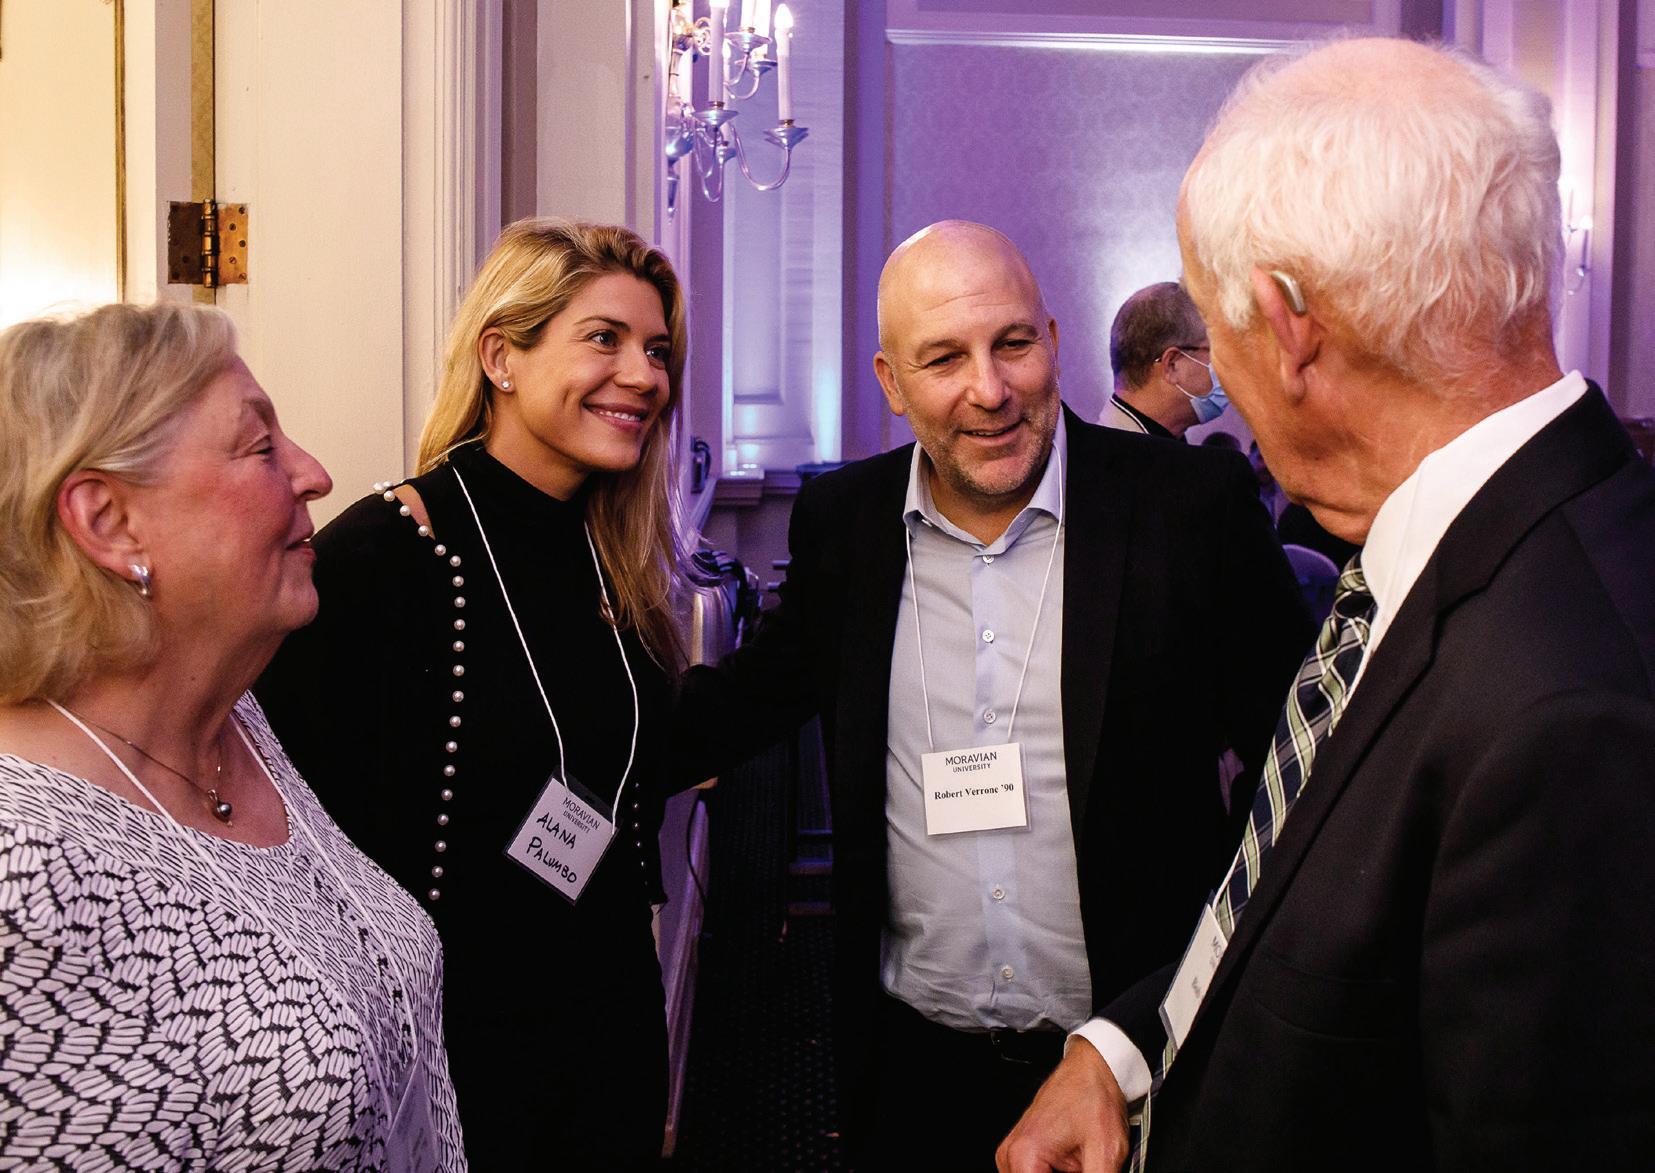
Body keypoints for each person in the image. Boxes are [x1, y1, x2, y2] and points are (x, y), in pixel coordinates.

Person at [999, 38, 1655, 1173]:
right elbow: (1312, 901)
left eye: (1216, 327)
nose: (1220, 372)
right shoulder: (1450, 547)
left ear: (1288, 326)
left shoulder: (1567, 716)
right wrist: (1123, 1050)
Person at [674, 220, 1311, 1168]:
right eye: (943, 359)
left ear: (1051, 339)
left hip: (1138, 1063)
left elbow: (1297, 770)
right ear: (891, 382)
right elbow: (747, 701)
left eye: (1012, 343)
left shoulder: (1188, 508)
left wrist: (1156, 1011)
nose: (989, 388)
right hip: (912, 1067)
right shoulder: (846, 525)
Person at [257, 218, 687, 1169]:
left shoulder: (614, 556)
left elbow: (642, 755)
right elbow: (289, 826)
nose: (644, 375)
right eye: (605, 338)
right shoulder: (389, 551)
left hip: (610, 1029)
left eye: (657, 350)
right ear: (501, 357)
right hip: (461, 1054)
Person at [0, 303, 464, 1169]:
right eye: (260, 447)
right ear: (109, 522)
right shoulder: (22, 870)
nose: (315, 474)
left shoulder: (234, 720)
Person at [1098, 282, 1228, 440]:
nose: (1229, 368)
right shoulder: (1111, 453)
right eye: (1218, 352)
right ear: (1172, 364)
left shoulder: (1157, 444)